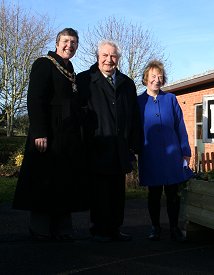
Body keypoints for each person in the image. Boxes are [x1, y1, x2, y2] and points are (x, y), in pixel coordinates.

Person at [12, 28, 88, 241]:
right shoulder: (44, 63)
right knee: (44, 181)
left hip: (67, 135)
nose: (69, 46)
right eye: (66, 41)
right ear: (57, 43)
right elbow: (35, 99)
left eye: (73, 42)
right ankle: (40, 228)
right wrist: (39, 132)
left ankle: (62, 227)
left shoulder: (70, 68)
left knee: (63, 181)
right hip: (48, 133)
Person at [76, 40, 141, 242]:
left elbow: (135, 117)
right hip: (97, 145)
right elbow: (78, 113)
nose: (108, 60)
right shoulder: (85, 79)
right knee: (99, 191)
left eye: (113, 56)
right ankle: (98, 229)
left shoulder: (127, 84)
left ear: (118, 59)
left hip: (120, 147)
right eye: (104, 55)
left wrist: (134, 145)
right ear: (98, 56)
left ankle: (114, 228)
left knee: (117, 192)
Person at [137, 60, 193, 242]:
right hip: (150, 154)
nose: (157, 79)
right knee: (153, 193)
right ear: (146, 78)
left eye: (160, 76)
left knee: (172, 193)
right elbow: (134, 129)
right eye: (153, 76)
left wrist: (185, 151)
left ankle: (174, 227)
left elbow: (180, 126)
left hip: (172, 154)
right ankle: (155, 227)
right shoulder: (138, 101)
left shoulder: (171, 99)